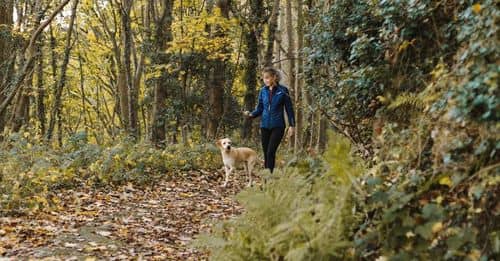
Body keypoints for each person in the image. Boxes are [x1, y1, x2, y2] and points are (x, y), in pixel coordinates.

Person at [244, 67, 295, 173]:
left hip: (278, 126)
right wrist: (251, 114)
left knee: (271, 152)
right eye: (264, 78)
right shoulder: (263, 91)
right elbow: (260, 108)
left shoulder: (283, 91)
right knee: (266, 153)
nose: (265, 80)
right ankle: (267, 178)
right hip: (264, 126)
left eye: (267, 77)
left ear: (274, 77)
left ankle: (269, 178)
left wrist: (291, 125)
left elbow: (289, 109)